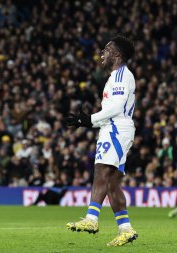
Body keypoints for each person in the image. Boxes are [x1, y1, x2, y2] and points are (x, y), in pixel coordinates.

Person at [65, 35, 137, 246]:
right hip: (113, 127)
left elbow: (115, 109)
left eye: (106, 50)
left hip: (116, 130)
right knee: (113, 183)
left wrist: (90, 119)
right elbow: (110, 111)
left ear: (117, 54)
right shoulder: (115, 76)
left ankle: (92, 218)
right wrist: (87, 122)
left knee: (101, 171)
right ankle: (126, 229)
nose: (101, 54)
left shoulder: (122, 75)